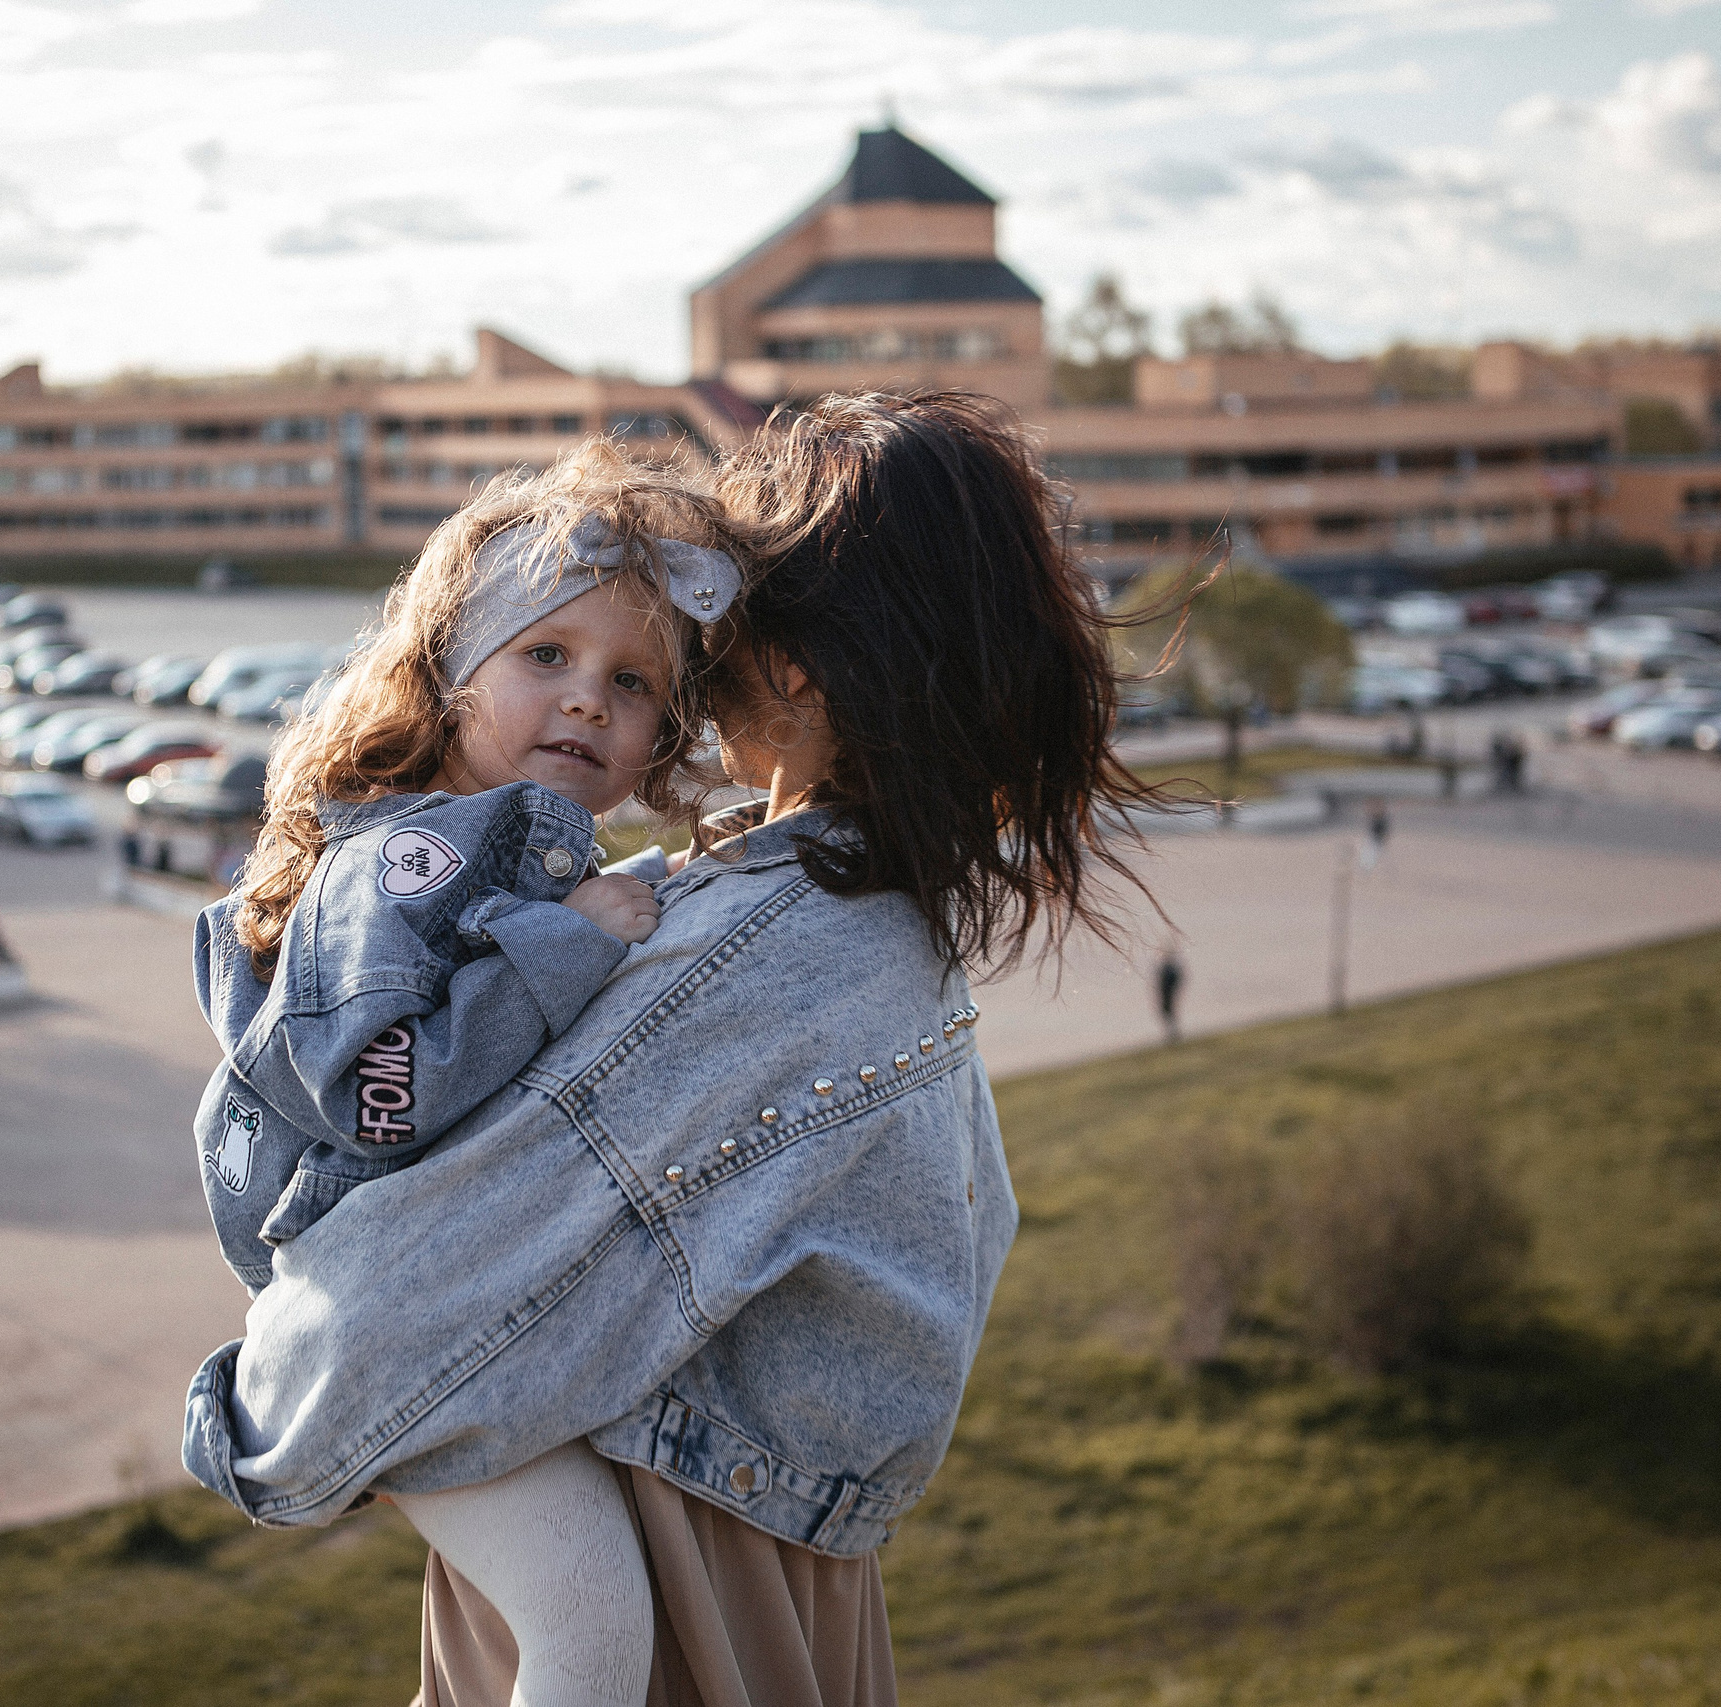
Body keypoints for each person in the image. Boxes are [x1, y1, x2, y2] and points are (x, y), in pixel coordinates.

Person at [181, 390, 1167, 1704]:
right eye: (547, 656)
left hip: (684, 1607)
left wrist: (255, 1402)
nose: (698, 662)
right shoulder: (880, 924)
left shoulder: (750, 944)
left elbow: (376, 1317)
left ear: (802, 661)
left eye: (718, 623)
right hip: (775, 1595)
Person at [187, 441, 744, 1707]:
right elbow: (377, 1089)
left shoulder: (512, 850)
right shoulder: (400, 867)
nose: (590, 700)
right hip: (393, 1318)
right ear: (451, 667)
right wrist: (572, 942)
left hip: (449, 1291)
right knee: (594, 1626)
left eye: (634, 682)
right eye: (545, 656)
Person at [1156, 950, 1185, 1044]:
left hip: (1168, 993)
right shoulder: (1169, 968)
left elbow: (1171, 981)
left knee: (1169, 1012)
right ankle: (1172, 1033)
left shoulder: (1169, 969)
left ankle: (1173, 1034)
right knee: (1168, 1013)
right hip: (1166, 993)